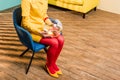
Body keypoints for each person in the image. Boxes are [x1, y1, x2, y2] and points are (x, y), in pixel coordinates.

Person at [21, 0, 64, 78]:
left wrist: (51, 25)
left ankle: (53, 63)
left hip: (42, 28)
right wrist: (39, 32)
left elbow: (44, 15)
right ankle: (49, 65)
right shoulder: (26, 1)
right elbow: (25, 23)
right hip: (32, 30)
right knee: (55, 43)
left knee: (61, 40)